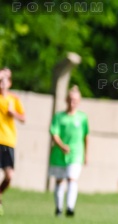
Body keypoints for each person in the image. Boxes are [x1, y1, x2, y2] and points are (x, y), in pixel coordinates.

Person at [48, 85, 89, 217]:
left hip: (76, 153)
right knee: (60, 180)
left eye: (75, 100)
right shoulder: (59, 117)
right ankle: (59, 208)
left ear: (79, 101)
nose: (72, 103)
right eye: (70, 99)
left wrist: (86, 154)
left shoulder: (82, 118)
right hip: (59, 153)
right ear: (66, 100)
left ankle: (70, 208)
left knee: (72, 179)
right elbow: (54, 133)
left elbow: (86, 136)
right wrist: (61, 146)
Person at [0, 67, 26, 216]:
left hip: (8, 141)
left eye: (5, 80)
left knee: (9, 175)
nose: (2, 83)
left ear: (9, 82)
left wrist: (13, 113)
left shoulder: (14, 99)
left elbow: (23, 118)